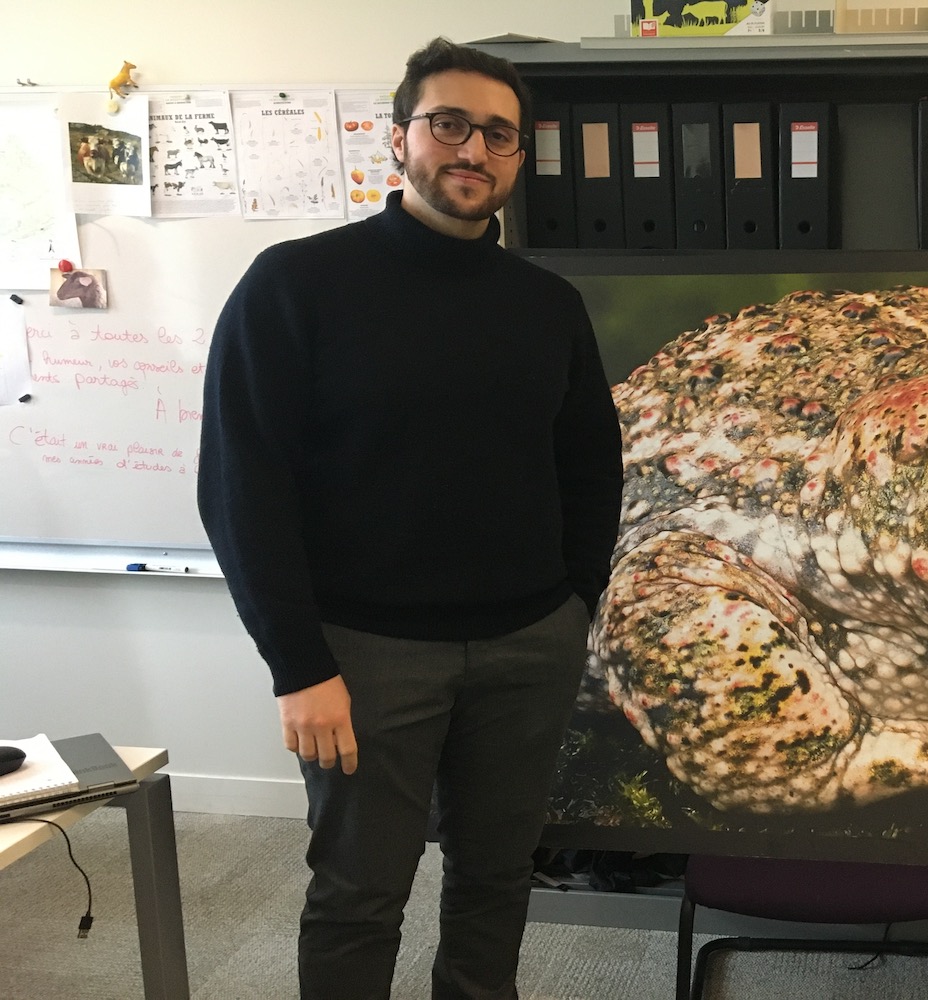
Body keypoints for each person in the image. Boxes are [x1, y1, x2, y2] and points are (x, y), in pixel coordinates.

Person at [198, 37, 624, 1000]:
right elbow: (241, 486)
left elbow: (590, 462)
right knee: (360, 895)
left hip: (527, 647)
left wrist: (574, 605)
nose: (472, 149)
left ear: (518, 158)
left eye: (498, 134)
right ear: (399, 141)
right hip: (364, 654)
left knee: (497, 879)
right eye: (449, 124)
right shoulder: (295, 285)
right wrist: (298, 665)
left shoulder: (547, 304)